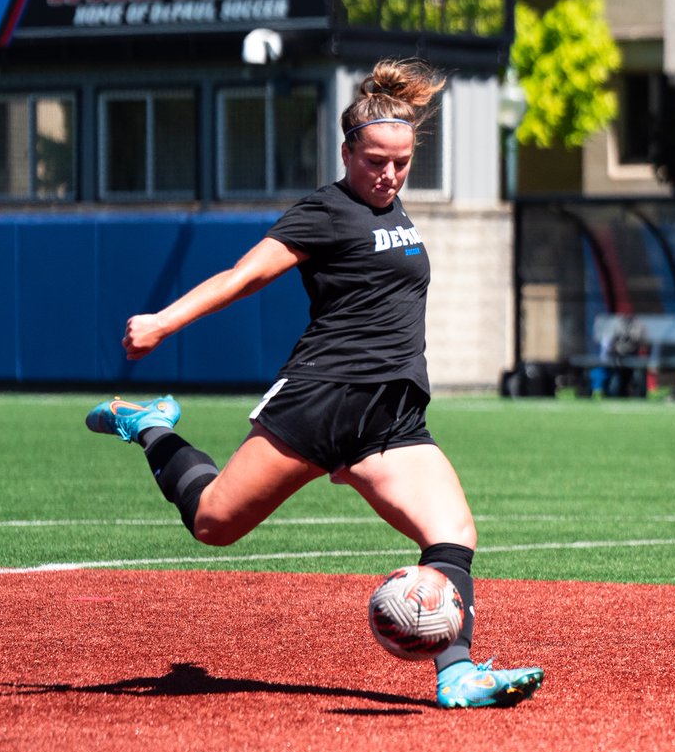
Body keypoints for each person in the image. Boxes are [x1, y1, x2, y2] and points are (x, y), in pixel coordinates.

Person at [86, 57, 544, 710]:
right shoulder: (324, 212)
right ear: (346, 152)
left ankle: (456, 675)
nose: (388, 174)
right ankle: (150, 425)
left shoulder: (393, 207)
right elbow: (243, 276)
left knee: (453, 534)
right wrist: (163, 320)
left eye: (401, 163)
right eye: (374, 161)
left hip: (391, 416)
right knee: (214, 522)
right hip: (321, 399)